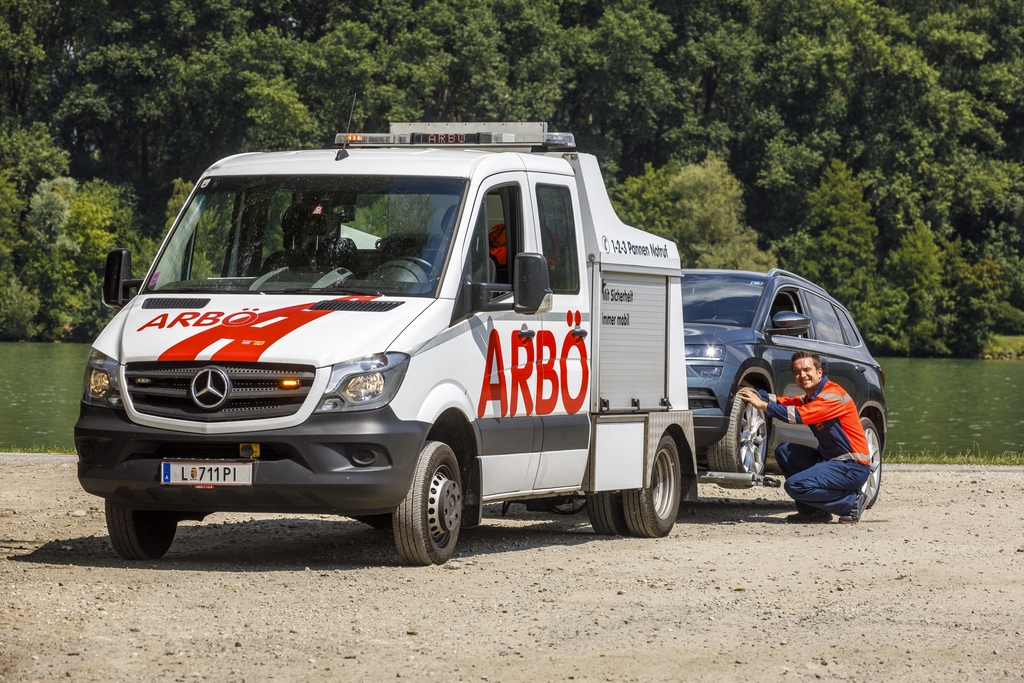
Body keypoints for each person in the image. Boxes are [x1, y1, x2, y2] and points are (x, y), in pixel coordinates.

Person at [737, 351, 871, 524]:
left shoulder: (832, 395)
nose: (802, 375)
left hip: (852, 466)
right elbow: (783, 402)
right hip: (831, 461)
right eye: (797, 372)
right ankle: (815, 512)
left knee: (795, 485)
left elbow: (799, 415)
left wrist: (762, 406)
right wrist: (746, 386)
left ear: (819, 372)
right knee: (785, 452)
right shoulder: (811, 397)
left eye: (807, 370)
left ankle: (851, 503)